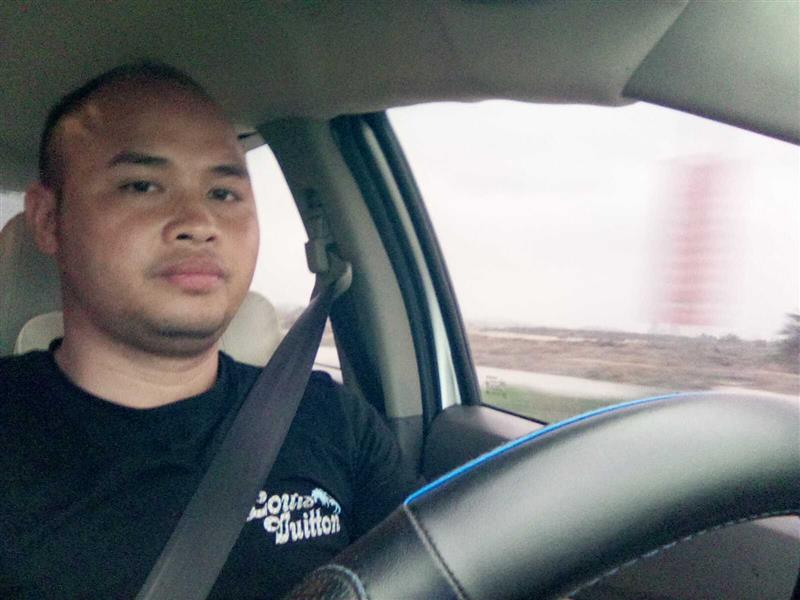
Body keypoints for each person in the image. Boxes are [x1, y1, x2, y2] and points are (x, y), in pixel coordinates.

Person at [0, 62, 417, 599]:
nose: (199, 223)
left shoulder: (329, 420)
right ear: (48, 220)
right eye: (142, 185)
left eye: (223, 194)